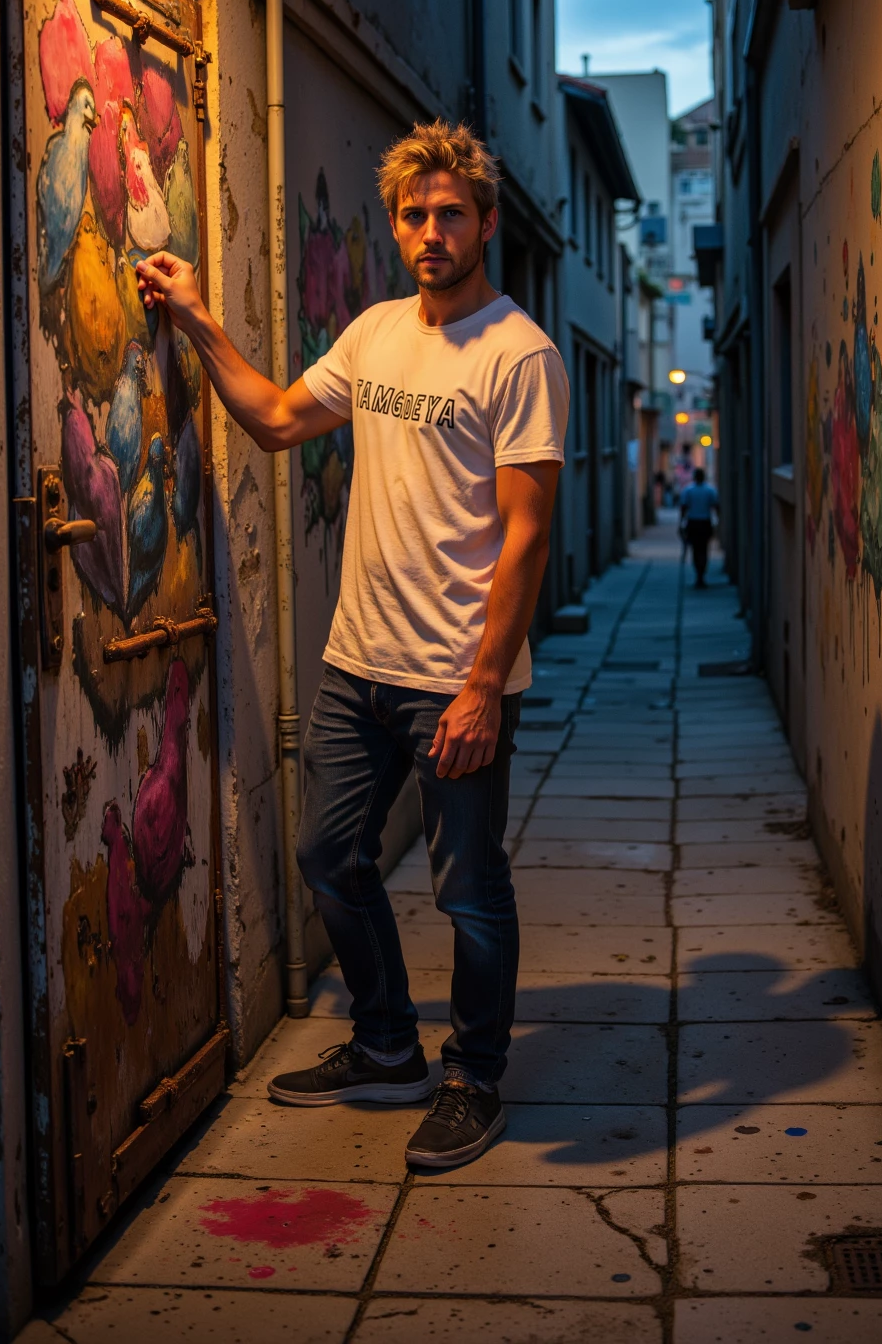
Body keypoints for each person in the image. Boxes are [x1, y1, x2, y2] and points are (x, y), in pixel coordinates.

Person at [135, 120, 569, 1171]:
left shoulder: (521, 354)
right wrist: (194, 318)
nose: (430, 231)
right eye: (414, 215)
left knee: (466, 887)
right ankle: (384, 1045)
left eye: (449, 214)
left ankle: (474, 1074)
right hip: (356, 667)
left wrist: (480, 689)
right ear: (395, 223)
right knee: (329, 856)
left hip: (453, 682)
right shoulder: (376, 333)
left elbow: (526, 535)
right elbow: (281, 419)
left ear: (486, 223)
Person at [680, 465, 719, 587]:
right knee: (704, 550)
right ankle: (701, 574)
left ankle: (699, 574)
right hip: (705, 523)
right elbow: (716, 507)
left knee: (696, 550)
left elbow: (684, 508)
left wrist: (681, 523)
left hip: (693, 523)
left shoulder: (689, 490)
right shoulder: (710, 490)